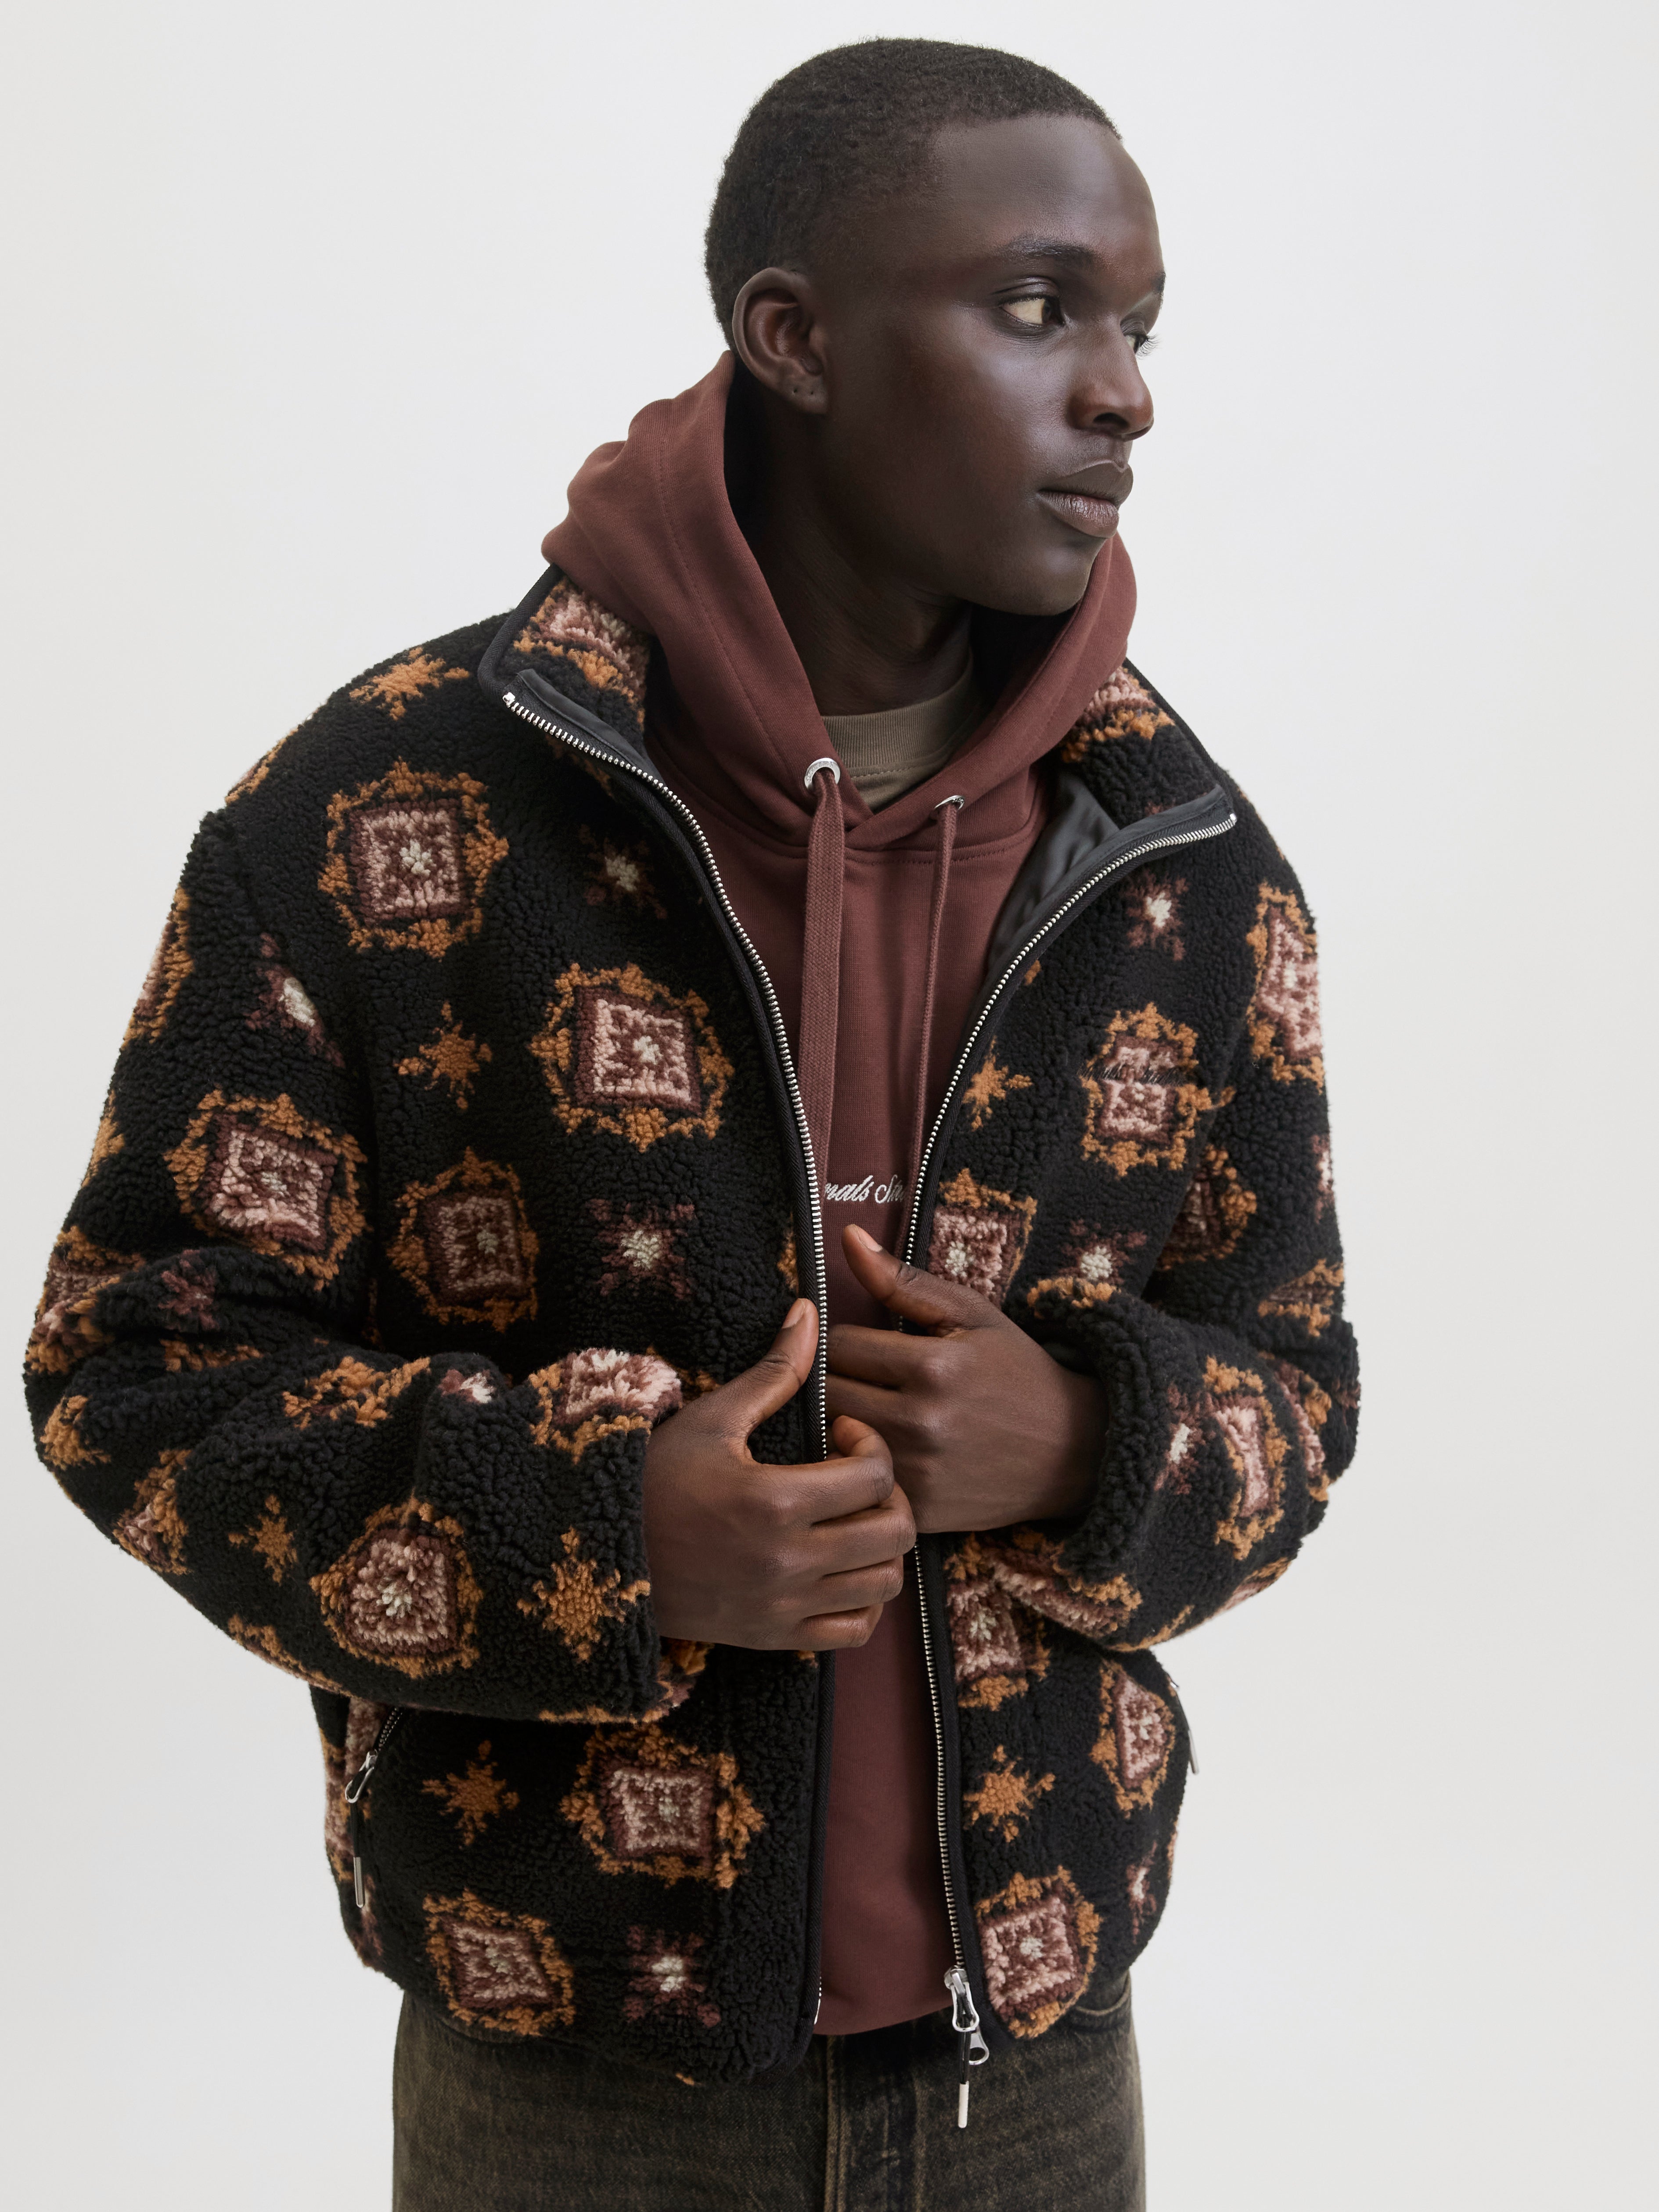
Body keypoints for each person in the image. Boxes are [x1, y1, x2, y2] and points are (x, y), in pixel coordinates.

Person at [24, 37, 1358, 2212]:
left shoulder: (1184, 861)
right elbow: (139, 1372)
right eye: (1037, 309)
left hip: (1029, 2061)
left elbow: (1300, 1382)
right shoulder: (382, 814)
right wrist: (604, 1529)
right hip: (565, 2066)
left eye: (1140, 328)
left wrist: (1091, 1442)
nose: (1122, 394)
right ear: (793, 337)